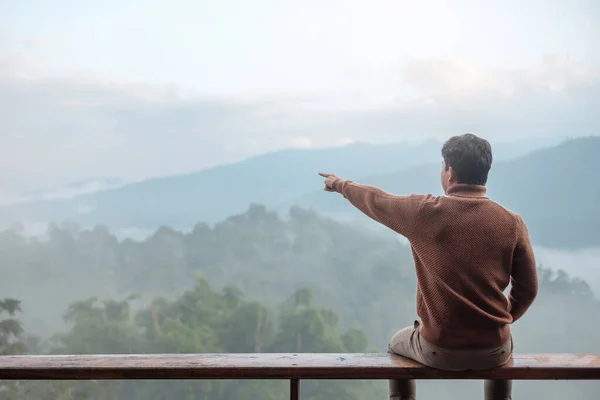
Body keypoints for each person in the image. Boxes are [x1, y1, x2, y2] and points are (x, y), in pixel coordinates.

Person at [319, 133, 538, 400]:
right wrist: (500, 321)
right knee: (505, 350)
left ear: (450, 172)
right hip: (495, 348)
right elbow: (527, 290)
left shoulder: (424, 212)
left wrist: (340, 184)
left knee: (396, 343)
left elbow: (377, 201)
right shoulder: (512, 223)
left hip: (439, 349)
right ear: (485, 173)